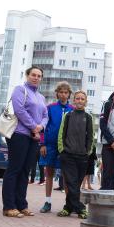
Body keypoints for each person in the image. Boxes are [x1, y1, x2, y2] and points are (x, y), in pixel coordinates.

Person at [2, 66, 48, 218]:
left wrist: (40, 127)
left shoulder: (41, 97)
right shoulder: (20, 90)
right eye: (33, 75)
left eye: (39, 76)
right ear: (27, 75)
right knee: (14, 169)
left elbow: (45, 115)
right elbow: (19, 110)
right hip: (19, 134)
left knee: (25, 172)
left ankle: (22, 205)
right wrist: (34, 127)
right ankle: (9, 206)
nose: (36, 77)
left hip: (33, 137)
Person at [57, 90, 93, 219]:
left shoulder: (88, 117)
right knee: (71, 182)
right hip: (68, 155)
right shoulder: (68, 115)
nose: (79, 101)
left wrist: (87, 152)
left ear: (85, 102)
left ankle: (68, 208)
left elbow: (91, 137)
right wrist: (62, 150)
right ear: (73, 101)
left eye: (82, 99)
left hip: (82, 156)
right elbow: (62, 133)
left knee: (75, 184)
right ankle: (81, 209)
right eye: (77, 98)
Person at [39, 81, 74, 213]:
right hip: (50, 145)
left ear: (69, 94)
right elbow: (43, 126)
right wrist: (42, 144)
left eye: (66, 92)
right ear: (57, 94)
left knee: (66, 175)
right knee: (49, 173)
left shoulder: (73, 109)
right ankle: (47, 202)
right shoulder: (50, 107)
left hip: (66, 147)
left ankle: (68, 204)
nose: (63, 95)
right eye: (61, 92)